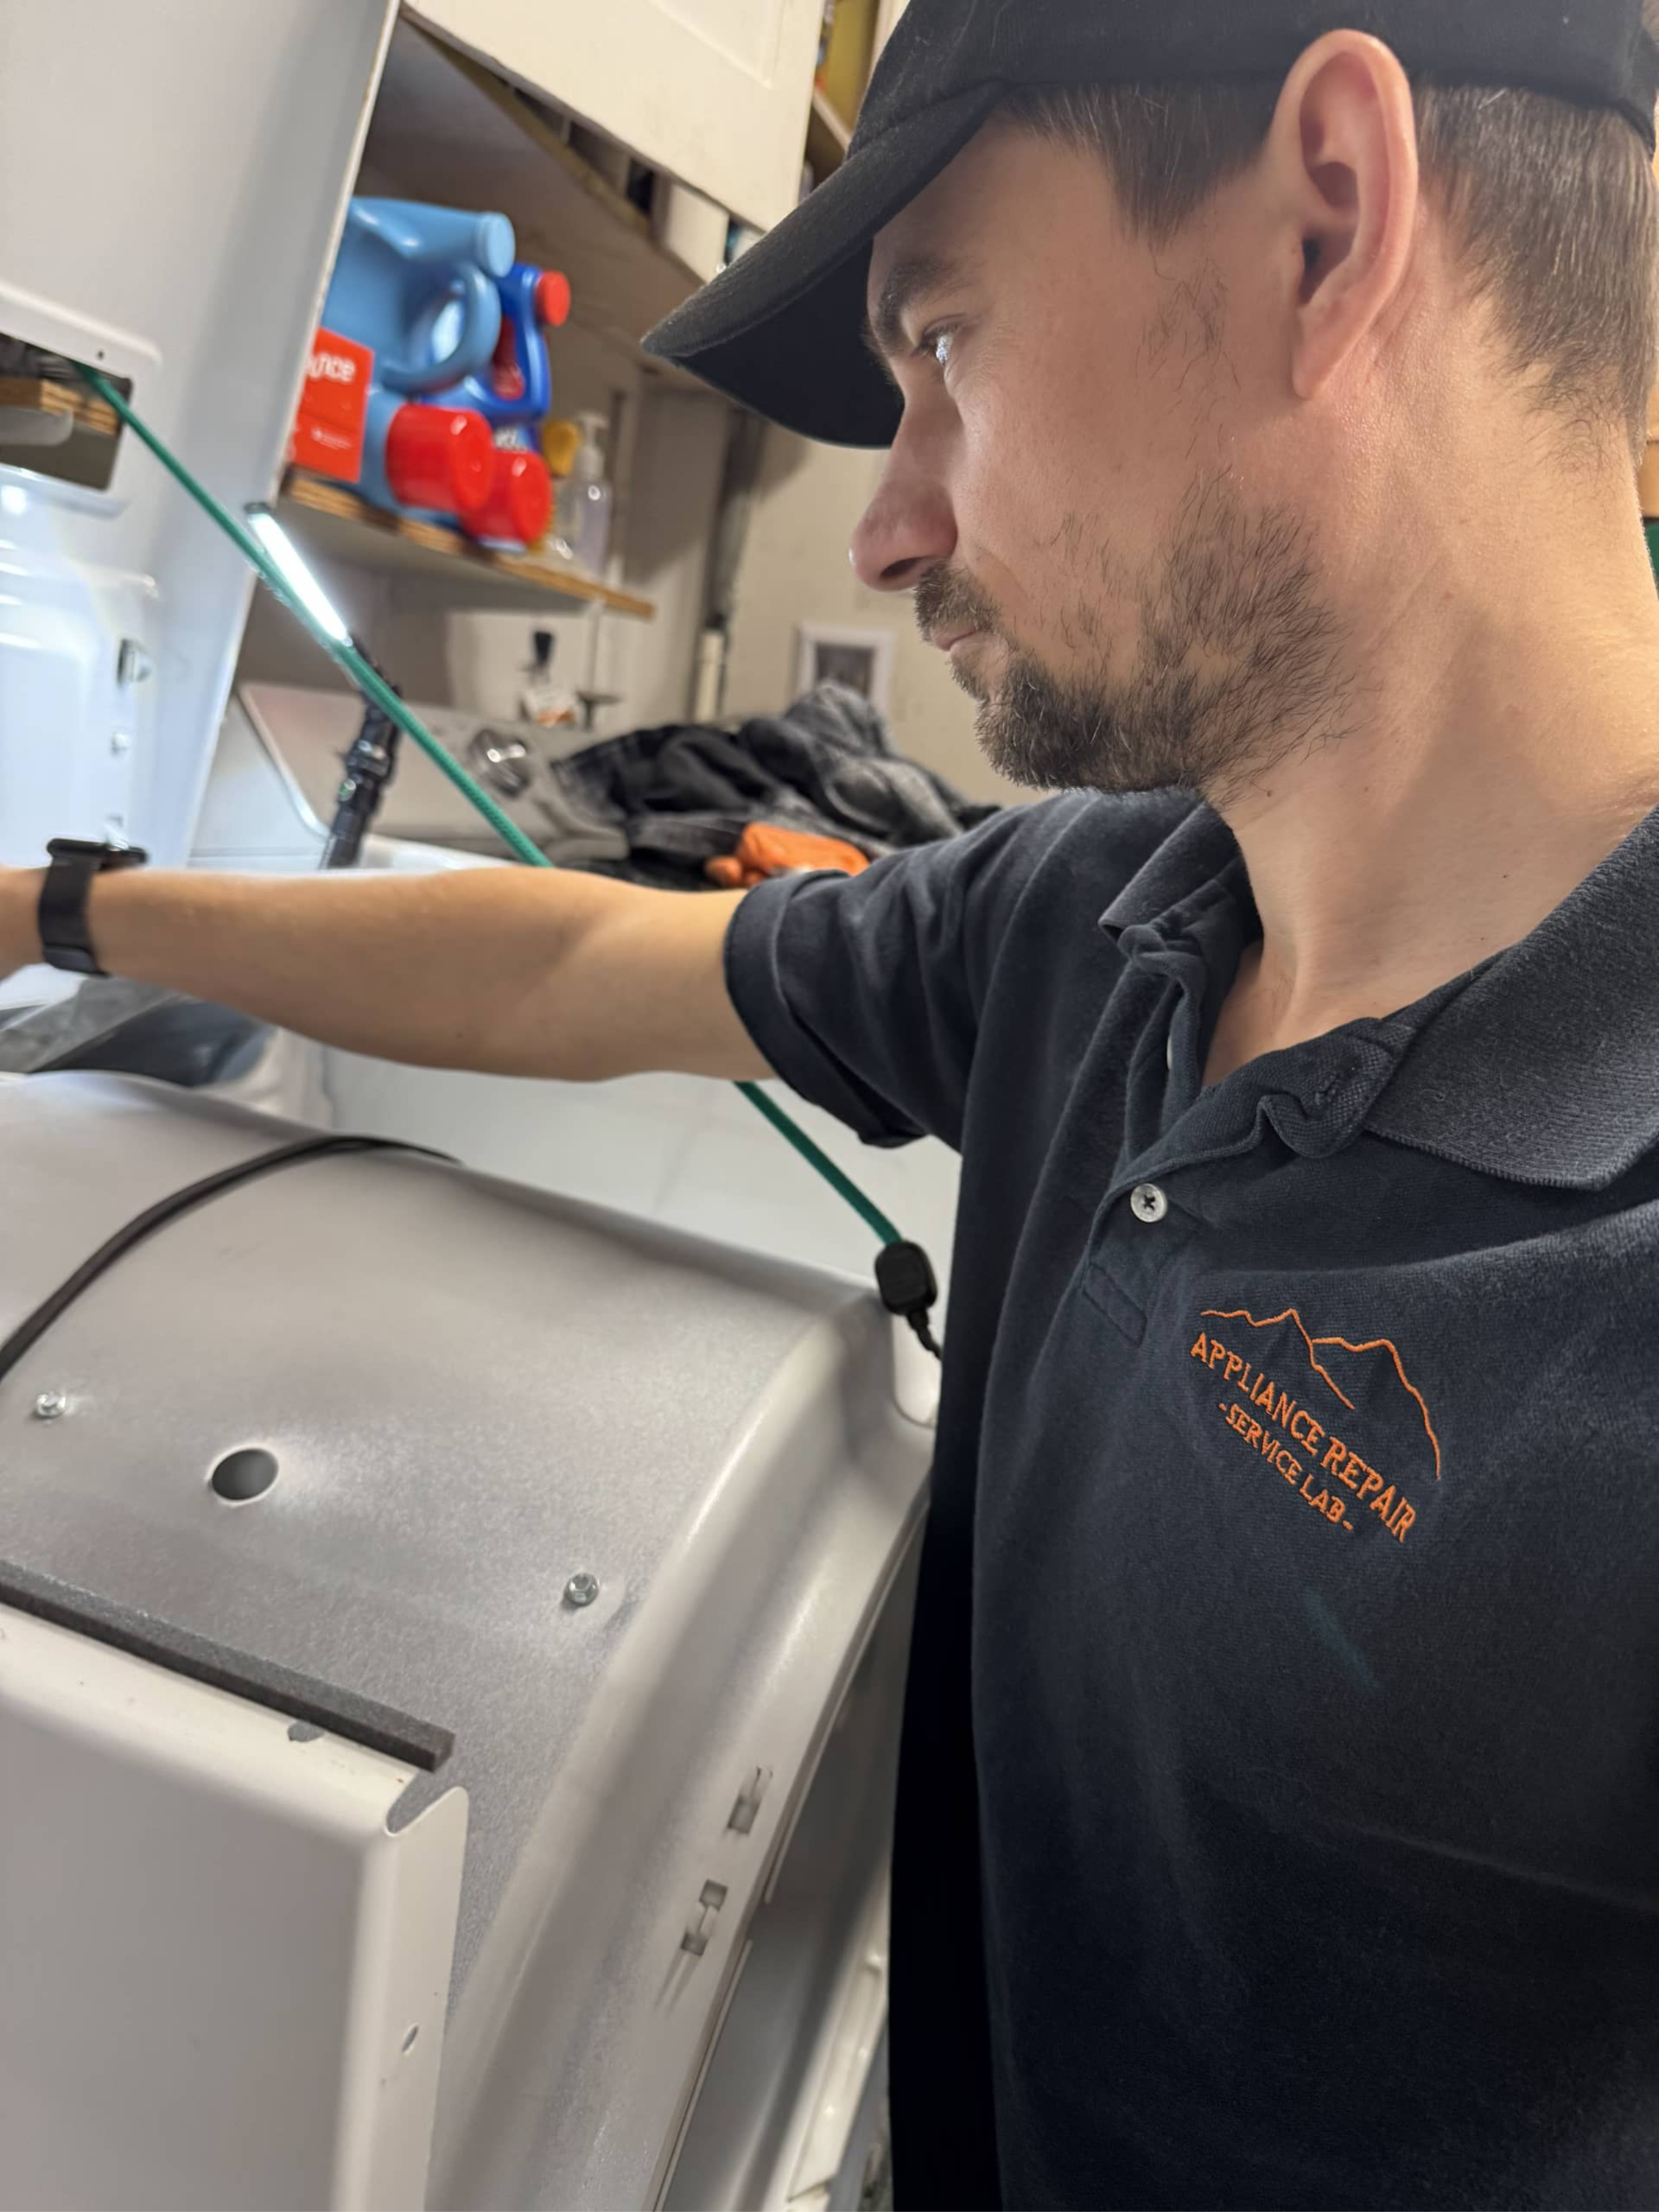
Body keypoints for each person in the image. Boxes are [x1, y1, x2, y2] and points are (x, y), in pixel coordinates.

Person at [7, 0, 1659, 2201]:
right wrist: (58, 901)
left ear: (1330, 220)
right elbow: (585, 956)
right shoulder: (1107, 912)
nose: (885, 530)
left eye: (942, 343)